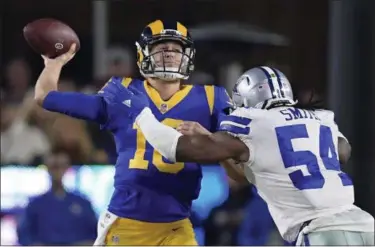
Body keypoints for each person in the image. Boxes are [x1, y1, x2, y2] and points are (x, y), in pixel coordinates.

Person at [104, 66, 375, 246]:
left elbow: (173, 148)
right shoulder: (321, 118)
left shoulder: (254, 121)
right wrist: (219, 143)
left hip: (322, 235)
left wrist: (140, 112)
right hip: (364, 226)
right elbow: (342, 152)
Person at [33, 20, 231, 246]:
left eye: (176, 49)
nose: (169, 55)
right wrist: (53, 64)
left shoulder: (211, 99)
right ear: (143, 54)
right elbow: (45, 97)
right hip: (127, 224)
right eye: (161, 49)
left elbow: (239, 163)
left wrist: (213, 141)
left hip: (176, 226)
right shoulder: (122, 91)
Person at [17, 149, 97, 245]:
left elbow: (96, 233)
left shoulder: (83, 202)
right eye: (54, 167)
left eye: (62, 166)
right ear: (47, 169)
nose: (58, 171)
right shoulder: (35, 204)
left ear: (67, 168)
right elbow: (24, 234)